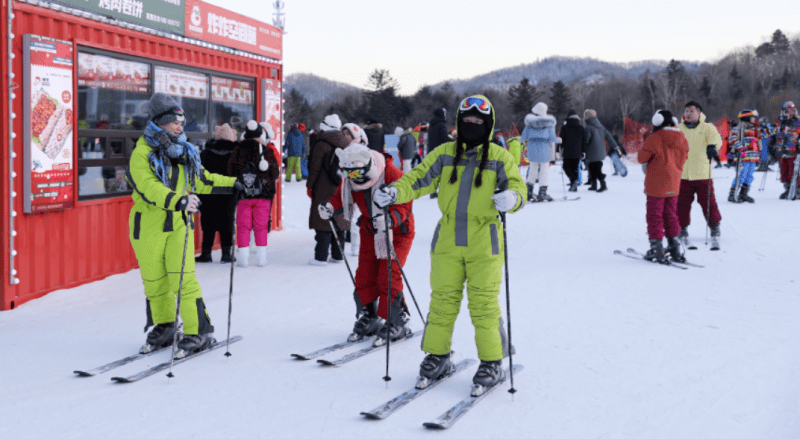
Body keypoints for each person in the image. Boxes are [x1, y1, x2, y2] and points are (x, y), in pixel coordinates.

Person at [373, 95, 526, 394]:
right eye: (466, 121)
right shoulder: (444, 153)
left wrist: (513, 199)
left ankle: (492, 361)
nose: (472, 126)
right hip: (447, 241)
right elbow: (418, 178)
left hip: (485, 242)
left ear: (488, 125)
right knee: (442, 302)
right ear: (458, 123)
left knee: (483, 305)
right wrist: (394, 192)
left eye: (478, 122)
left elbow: (518, 187)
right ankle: (437, 355)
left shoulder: (499, 156)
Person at [126, 93, 239, 357]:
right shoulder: (141, 152)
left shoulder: (184, 151)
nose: (180, 126)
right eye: (174, 121)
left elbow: (201, 180)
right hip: (148, 227)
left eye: (182, 121)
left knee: (183, 280)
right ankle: (165, 327)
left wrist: (232, 183)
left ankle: (198, 331)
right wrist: (178, 199)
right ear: (160, 121)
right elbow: (147, 187)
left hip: (178, 225)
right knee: (155, 282)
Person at [319, 143, 416, 345]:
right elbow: (340, 195)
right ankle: (370, 315)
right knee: (364, 274)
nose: (354, 178)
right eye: (350, 174)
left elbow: (405, 201)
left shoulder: (390, 171)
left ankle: (396, 319)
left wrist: (390, 219)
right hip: (370, 228)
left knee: (388, 274)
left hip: (396, 231)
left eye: (358, 173)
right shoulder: (350, 175)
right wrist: (330, 207)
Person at [637, 110, 690, 263]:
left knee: (655, 216)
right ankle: (674, 248)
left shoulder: (655, 138)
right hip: (673, 183)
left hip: (656, 184)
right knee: (671, 215)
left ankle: (656, 249)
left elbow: (641, 158)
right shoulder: (682, 137)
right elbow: (684, 157)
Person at [228, 121, 280, 267]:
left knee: (243, 227)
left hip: (243, 195)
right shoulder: (266, 151)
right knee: (261, 227)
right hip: (263, 195)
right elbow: (275, 173)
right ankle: (261, 259)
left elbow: (231, 171)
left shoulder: (238, 150)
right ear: (260, 135)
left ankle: (243, 259)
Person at [676, 101, 723, 247]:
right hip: (683, 174)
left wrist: (712, 146)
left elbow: (716, 139)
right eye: (686, 111)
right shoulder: (678, 128)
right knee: (682, 204)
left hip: (703, 173)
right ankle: (682, 229)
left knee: (708, 203)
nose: (688, 113)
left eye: (691, 111)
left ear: (699, 113)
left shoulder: (707, 128)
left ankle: (714, 228)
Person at [307, 115, 348, 265]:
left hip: (323, 187)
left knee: (323, 221)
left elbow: (314, 169)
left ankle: (321, 257)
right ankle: (338, 255)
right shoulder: (345, 143)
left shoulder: (321, 144)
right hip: (341, 187)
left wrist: (310, 186)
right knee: (339, 220)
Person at [196, 123, 238, 264]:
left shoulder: (205, 154)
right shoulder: (235, 155)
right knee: (227, 223)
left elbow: (199, 174)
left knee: (208, 223)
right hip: (228, 194)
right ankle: (226, 254)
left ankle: (206, 254)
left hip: (208, 194)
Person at [520, 102, 561, 202]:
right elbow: (553, 139)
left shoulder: (529, 125)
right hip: (545, 151)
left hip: (532, 151)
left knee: (532, 171)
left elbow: (522, 138)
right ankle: (542, 193)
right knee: (544, 172)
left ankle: (528, 192)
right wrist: (560, 140)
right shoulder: (548, 126)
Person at [727, 110, 761, 203]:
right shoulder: (738, 128)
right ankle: (732, 194)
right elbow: (732, 138)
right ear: (747, 118)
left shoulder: (754, 129)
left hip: (753, 157)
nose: (754, 119)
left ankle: (743, 194)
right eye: (752, 117)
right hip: (743, 156)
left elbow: (764, 135)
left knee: (749, 176)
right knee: (741, 175)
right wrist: (741, 148)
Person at [583, 109, 618, 193]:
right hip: (601, 151)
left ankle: (603, 185)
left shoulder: (588, 127)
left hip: (592, 152)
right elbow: (609, 137)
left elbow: (586, 140)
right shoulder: (601, 127)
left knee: (596, 169)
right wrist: (615, 146)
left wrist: (582, 147)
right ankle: (594, 185)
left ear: (587, 118)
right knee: (592, 168)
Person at [773, 101, 799, 199]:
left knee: (794, 171)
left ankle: (797, 189)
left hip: (793, 151)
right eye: (788, 111)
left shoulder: (797, 121)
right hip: (781, 151)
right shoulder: (779, 122)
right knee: (784, 171)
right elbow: (773, 134)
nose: (791, 112)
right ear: (784, 112)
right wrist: (771, 144)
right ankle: (787, 189)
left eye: (792, 110)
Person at [559, 109, 586, 191]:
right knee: (575, 168)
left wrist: (558, 149)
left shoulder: (564, 127)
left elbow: (561, 140)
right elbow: (583, 140)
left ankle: (573, 181)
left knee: (566, 166)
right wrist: (584, 151)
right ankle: (574, 185)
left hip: (567, 151)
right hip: (578, 151)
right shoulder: (581, 127)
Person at [427, 108, 450, 199]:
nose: (445, 115)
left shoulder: (431, 124)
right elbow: (445, 138)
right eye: (444, 113)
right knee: (445, 171)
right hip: (440, 152)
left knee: (434, 172)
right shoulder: (441, 124)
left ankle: (432, 191)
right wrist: (455, 141)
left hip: (431, 151)